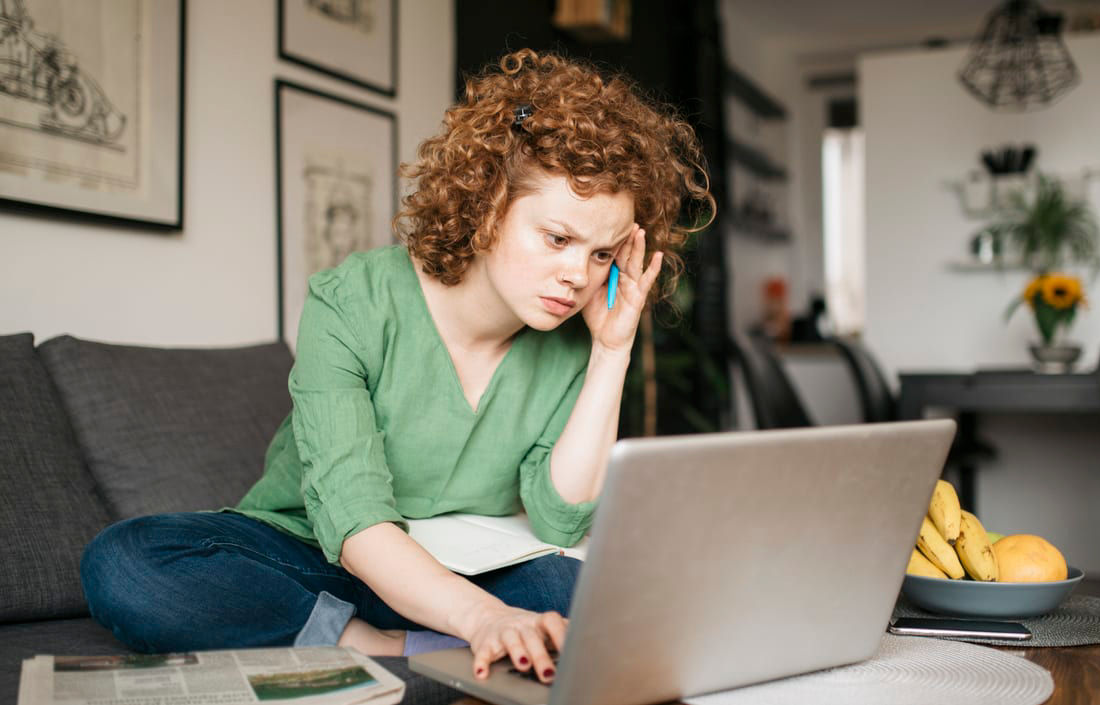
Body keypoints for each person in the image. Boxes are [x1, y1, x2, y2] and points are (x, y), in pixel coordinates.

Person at [79, 49, 714, 684]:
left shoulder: (573, 339)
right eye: (557, 239)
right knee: (127, 562)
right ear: (490, 207)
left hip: (463, 561)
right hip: (314, 555)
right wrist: (485, 618)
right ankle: (373, 640)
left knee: (581, 591)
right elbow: (356, 524)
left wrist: (611, 351)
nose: (578, 275)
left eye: (602, 253)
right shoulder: (350, 302)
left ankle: (427, 636)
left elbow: (559, 517)